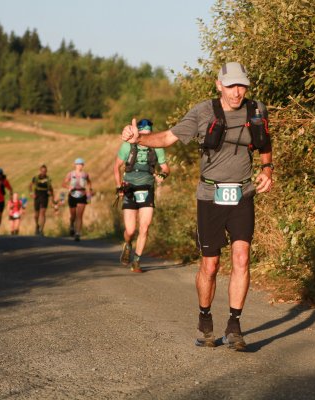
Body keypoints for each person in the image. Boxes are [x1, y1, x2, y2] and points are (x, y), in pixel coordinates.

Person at [121, 62, 273, 350]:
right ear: (219, 85)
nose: (237, 92)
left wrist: (267, 171)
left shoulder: (256, 109)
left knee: (241, 257)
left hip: (243, 193)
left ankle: (234, 326)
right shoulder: (203, 112)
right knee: (210, 265)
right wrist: (139, 138)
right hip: (210, 195)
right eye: (231, 86)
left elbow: (265, 142)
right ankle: (205, 319)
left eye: (241, 85)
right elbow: (168, 138)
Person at [114, 119, 170, 273]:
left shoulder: (157, 146)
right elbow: (116, 166)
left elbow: (166, 168)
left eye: (149, 134)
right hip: (129, 188)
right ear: (137, 132)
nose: (146, 138)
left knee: (144, 228)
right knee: (130, 230)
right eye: (143, 135)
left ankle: (137, 261)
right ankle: (128, 244)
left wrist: (163, 175)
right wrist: (119, 186)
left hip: (147, 188)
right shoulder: (128, 146)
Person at [62, 158, 93, 242]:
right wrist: (69, 187)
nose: (79, 166)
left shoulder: (85, 175)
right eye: (78, 164)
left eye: (81, 164)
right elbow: (63, 183)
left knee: (79, 216)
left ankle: (77, 233)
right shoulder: (70, 174)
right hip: (72, 195)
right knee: (73, 215)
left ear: (83, 165)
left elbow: (89, 183)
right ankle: (72, 225)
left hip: (82, 195)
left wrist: (90, 191)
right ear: (75, 165)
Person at [29, 164, 55, 236]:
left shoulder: (48, 179)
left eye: (45, 171)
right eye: (42, 171)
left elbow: (51, 189)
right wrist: (31, 193)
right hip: (37, 196)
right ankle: (37, 226)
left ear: (46, 171)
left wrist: (52, 198)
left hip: (44, 197)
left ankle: (41, 229)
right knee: (36, 215)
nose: (43, 172)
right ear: (40, 171)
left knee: (43, 213)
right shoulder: (36, 178)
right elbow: (30, 186)